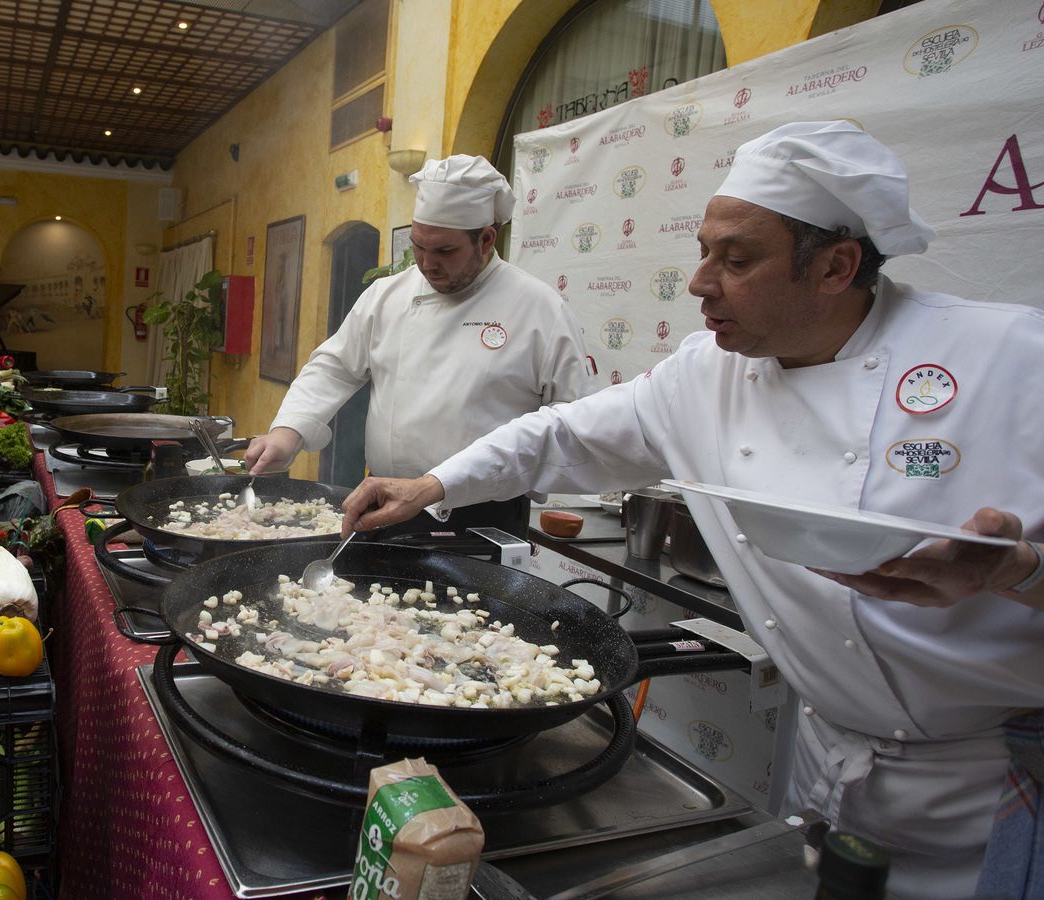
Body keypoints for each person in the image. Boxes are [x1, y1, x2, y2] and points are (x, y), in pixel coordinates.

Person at [339, 121, 1044, 899]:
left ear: (837, 267)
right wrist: (432, 485)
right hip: (825, 759)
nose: (701, 281)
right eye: (704, 250)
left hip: (994, 785)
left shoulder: (1012, 362)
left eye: (736, 259)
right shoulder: (706, 374)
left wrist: (1022, 574)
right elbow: (562, 434)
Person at [245, 155, 593, 535]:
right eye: (419, 247)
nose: (427, 264)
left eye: (445, 251)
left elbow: (570, 416)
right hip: (380, 501)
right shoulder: (387, 295)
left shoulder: (539, 309)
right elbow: (334, 367)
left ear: (486, 239)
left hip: (482, 516)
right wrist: (287, 431)